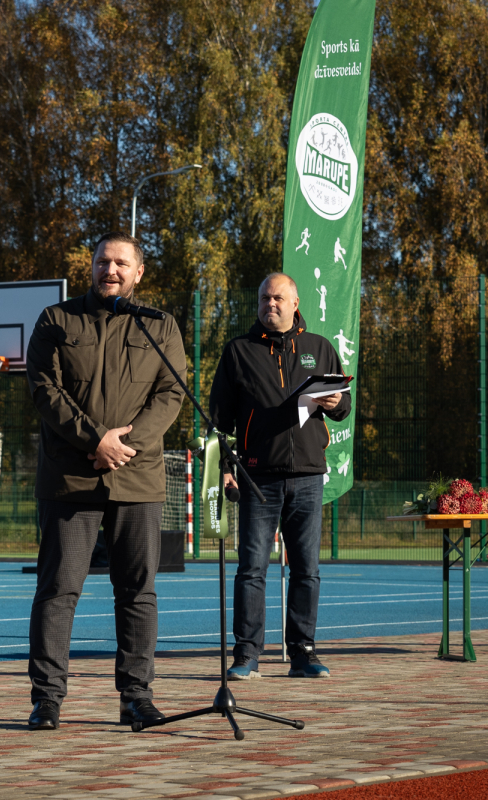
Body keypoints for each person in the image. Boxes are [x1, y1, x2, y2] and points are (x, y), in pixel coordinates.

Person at [24, 232, 186, 731]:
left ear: (138, 273)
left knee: (138, 591)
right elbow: (44, 388)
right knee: (58, 590)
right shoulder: (57, 319)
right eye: (101, 262)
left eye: (121, 263)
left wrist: (125, 446)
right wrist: (96, 441)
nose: (109, 270)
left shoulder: (161, 325)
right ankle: (47, 699)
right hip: (71, 478)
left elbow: (171, 394)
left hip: (137, 479)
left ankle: (135, 697)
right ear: (90, 267)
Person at [209, 272, 350, 680]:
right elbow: (220, 421)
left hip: (308, 476)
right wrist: (226, 470)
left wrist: (339, 401)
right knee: (252, 568)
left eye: (277, 299)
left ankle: (303, 652)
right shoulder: (238, 351)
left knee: (307, 569)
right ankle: (247, 654)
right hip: (257, 477)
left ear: (295, 302)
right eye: (264, 298)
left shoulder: (319, 347)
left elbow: (342, 405)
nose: (270, 304)